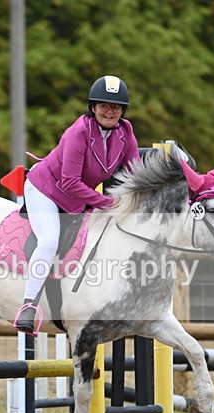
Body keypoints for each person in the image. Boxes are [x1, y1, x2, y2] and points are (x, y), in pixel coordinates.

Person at [13, 75, 140, 334]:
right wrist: (106, 202)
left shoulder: (126, 132)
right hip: (46, 190)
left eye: (116, 107)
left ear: (123, 111)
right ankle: (28, 305)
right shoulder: (79, 132)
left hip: (78, 198)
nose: (110, 111)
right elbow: (69, 182)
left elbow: (136, 174)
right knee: (49, 240)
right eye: (103, 105)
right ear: (93, 107)